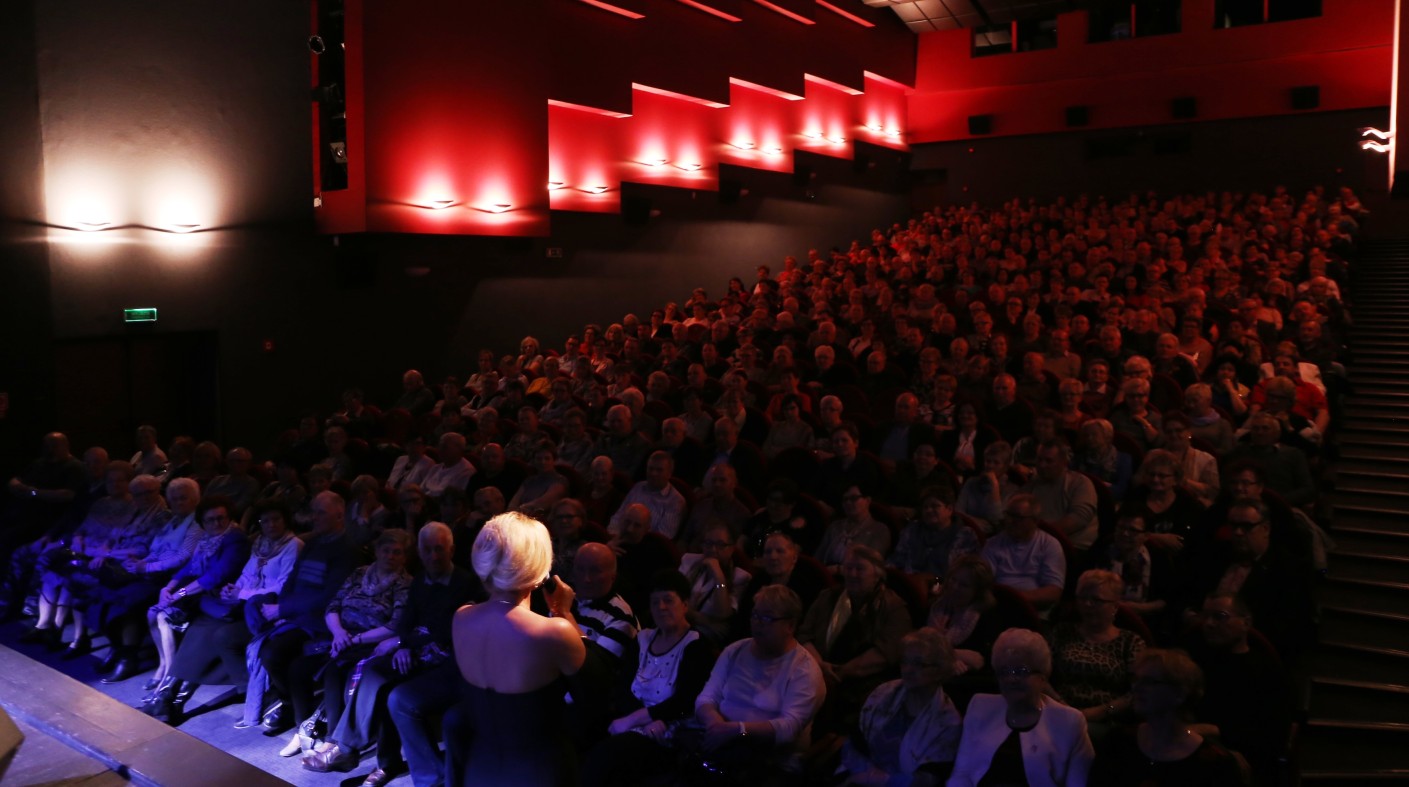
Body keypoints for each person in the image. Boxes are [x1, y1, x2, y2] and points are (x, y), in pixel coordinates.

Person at [451, 512, 587, 785]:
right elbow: (593, 696)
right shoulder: (554, 632)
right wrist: (564, 613)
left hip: (479, 768)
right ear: (539, 572)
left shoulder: (461, 617)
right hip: (540, 772)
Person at [165, 499, 302, 722]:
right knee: (204, 628)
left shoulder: (292, 545)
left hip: (269, 610)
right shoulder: (260, 543)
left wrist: (241, 593)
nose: (271, 525)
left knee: (218, 633)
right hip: (244, 604)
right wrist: (234, 588)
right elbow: (247, 573)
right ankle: (172, 690)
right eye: (265, 521)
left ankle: (175, 692)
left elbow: (282, 586)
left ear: (285, 520)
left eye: (276, 519)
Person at [287, 528, 414, 767]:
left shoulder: (404, 584)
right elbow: (333, 606)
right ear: (377, 551)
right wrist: (338, 633)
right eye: (386, 550)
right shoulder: (360, 573)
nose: (390, 556)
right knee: (298, 668)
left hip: (370, 644)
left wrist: (353, 640)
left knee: (335, 672)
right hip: (339, 637)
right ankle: (304, 729)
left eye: (397, 552)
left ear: (404, 557)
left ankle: (333, 740)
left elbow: (394, 626)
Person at [581, 570, 718, 787]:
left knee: (609, 756)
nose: (661, 607)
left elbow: (685, 700)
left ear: (684, 604)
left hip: (670, 732)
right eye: (655, 602)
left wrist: (642, 720)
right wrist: (641, 720)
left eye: (668, 600)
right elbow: (623, 688)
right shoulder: (642, 639)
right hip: (636, 723)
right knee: (585, 734)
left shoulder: (696, 646)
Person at [694, 584, 826, 779]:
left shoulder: (803, 669)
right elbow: (706, 698)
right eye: (755, 615)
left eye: (767, 618)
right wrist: (716, 725)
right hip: (721, 742)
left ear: (790, 626)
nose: (757, 623)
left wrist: (737, 730)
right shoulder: (734, 651)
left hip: (770, 762)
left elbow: (789, 729)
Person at [143, 496, 250, 723]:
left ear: (229, 518)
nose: (216, 523)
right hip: (207, 604)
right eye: (210, 520)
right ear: (202, 522)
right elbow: (190, 567)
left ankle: (167, 698)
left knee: (198, 639)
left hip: (228, 605)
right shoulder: (207, 539)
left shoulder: (235, 539)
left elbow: (216, 576)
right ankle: (166, 699)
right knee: (178, 627)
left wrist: (179, 594)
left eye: (221, 518)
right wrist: (168, 587)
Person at [947, 629, 1094, 786]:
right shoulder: (980, 706)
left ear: (1043, 677)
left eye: (1021, 671)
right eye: (1004, 671)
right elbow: (962, 773)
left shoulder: (1069, 722)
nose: (1011, 679)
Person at [797, 544, 913, 733]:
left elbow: (885, 654)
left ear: (877, 574)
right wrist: (819, 665)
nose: (852, 574)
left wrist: (840, 672)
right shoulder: (827, 597)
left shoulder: (894, 607)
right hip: (815, 669)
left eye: (859, 569)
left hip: (863, 682)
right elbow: (804, 635)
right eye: (848, 568)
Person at [1090, 649, 1242, 786]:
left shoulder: (1214, 762)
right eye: (1135, 680)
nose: (1136, 687)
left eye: (1149, 681)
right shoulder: (1118, 741)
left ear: (1180, 693)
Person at [836, 628, 963, 786]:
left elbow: (928, 780)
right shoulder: (882, 693)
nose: (907, 670)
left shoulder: (948, 722)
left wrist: (881, 780)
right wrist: (866, 775)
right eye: (905, 661)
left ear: (939, 670)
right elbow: (853, 746)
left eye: (918, 663)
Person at [1049, 570, 1144, 729]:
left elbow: (1139, 690)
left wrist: (1102, 711)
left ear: (1115, 606)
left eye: (1096, 600)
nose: (1087, 604)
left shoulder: (1130, 642)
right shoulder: (1062, 632)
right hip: (1060, 715)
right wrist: (1062, 706)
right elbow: (1040, 676)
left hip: (1109, 722)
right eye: (1083, 598)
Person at [981, 494, 1065, 616]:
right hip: (997, 607)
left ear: (1035, 521)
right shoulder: (993, 544)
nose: (1009, 521)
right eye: (1008, 515)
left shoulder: (1049, 545)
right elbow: (982, 583)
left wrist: (1015, 598)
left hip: (1034, 611)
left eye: (1017, 517)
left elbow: (1053, 592)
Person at [888, 486, 979, 586]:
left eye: (935, 506)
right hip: (909, 584)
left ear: (949, 509)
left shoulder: (965, 536)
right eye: (925, 507)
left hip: (945, 588)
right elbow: (898, 559)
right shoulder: (913, 529)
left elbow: (963, 574)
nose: (929, 510)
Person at [679, 523, 750, 645]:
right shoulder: (689, 561)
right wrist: (705, 620)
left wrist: (718, 576)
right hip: (679, 626)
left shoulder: (740, 578)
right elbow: (674, 599)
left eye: (720, 545)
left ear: (732, 548)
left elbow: (723, 613)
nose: (713, 550)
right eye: (708, 543)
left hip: (705, 639)